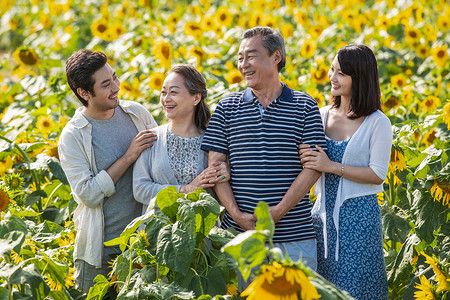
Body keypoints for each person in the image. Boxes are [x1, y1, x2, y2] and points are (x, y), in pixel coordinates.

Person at [201, 27, 327, 274]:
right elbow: (215, 169)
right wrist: (237, 215)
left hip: (294, 236)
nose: (243, 64)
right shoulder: (227, 108)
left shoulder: (305, 105)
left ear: (276, 57)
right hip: (239, 238)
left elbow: (312, 168)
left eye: (251, 56)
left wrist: (279, 211)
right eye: (239, 58)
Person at [58, 49, 158, 293]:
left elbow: (161, 159)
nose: (116, 86)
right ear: (84, 93)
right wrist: (128, 157)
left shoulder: (136, 113)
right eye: (106, 84)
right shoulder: (73, 136)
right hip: (101, 252)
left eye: (114, 77)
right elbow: (87, 194)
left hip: (144, 243)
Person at [299, 44, 392, 299]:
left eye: (341, 73)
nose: (332, 77)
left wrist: (331, 167)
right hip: (321, 217)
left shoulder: (378, 122)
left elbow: (377, 174)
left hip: (360, 221)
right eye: (332, 69)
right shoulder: (320, 115)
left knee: (357, 289)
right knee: (323, 288)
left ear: (359, 77)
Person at [133, 64, 229, 213]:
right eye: (163, 92)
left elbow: (219, 195)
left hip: (200, 231)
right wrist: (185, 189)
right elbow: (140, 190)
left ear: (196, 98)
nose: (166, 99)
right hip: (159, 232)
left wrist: (225, 174)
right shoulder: (151, 138)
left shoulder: (212, 141)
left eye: (173, 92)